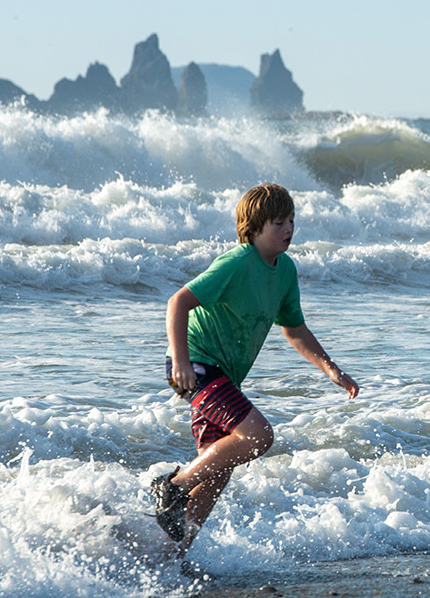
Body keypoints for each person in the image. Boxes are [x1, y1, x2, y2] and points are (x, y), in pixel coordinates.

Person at [151, 182, 359, 558]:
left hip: (223, 374)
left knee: (217, 469)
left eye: (292, 220)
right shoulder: (237, 263)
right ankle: (174, 486)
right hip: (196, 363)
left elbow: (294, 329)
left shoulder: (284, 271)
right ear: (255, 227)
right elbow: (178, 301)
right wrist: (181, 361)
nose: (289, 229)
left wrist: (331, 368)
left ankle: (171, 556)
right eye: (278, 222)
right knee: (259, 436)